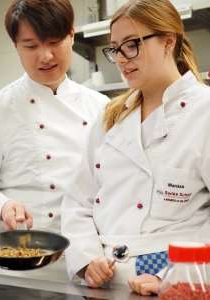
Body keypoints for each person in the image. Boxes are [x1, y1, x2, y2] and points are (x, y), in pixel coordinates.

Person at [61, 0, 210, 295]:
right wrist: (88, 259)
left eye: (132, 45)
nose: (121, 58)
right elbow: (78, 202)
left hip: (174, 281)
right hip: (103, 283)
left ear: (168, 40)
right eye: (115, 48)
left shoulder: (203, 111)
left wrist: (176, 277)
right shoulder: (110, 118)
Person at [0, 0, 109, 281]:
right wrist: (0, 206)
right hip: (21, 268)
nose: (45, 56)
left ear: (72, 35)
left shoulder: (101, 107)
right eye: (31, 46)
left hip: (91, 263)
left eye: (54, 41)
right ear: (16, 46)